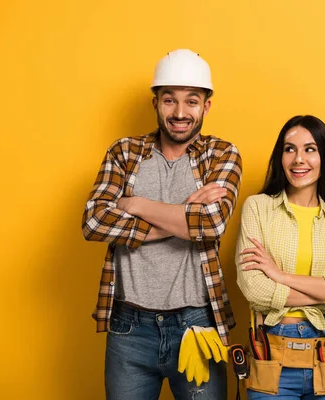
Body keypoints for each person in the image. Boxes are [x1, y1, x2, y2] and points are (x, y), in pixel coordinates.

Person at [82, 49, 242, 400]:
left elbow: (212, 224)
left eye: (192, 101)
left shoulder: (222, 154)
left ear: (206, 106)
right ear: (155, 102)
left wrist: (136, 205)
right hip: (129, 328)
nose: (180, 113)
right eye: (169, 100)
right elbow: (94, 220)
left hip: (197, 324)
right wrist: (184, 213)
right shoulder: (124, 153)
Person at [235, 115, 325, 399]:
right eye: (289, 148)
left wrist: (281, 276)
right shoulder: (257, 209)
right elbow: (255, 289)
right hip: (272, 350)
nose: (298, 159)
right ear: (280, 156)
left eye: (310, 149)